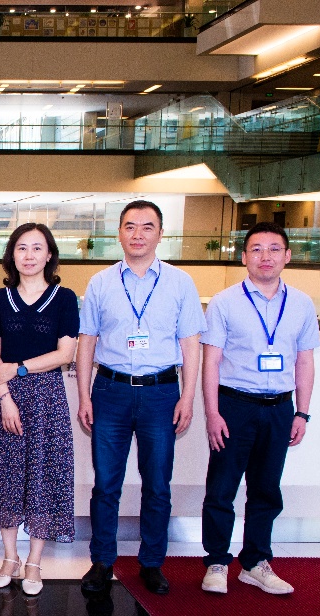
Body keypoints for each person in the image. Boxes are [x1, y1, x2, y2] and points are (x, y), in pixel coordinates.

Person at [76, 200, 204, 596]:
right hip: (110, 391)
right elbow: (86, 342)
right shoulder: (101, 282)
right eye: (130, 226)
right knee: (106, 485)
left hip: (161, 393)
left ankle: (151, 562)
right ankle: (102, 561)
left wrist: (188, 397)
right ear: (119, 233)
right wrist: (84, 396)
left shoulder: (180, 282)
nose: (138, 234)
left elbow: (191, 344)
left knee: (158, 484)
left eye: (147, 227)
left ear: (160, 234)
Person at [199, 222, 318, 596]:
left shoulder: (301, 303)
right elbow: (211, 362)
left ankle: (255, 563)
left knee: (266, 490)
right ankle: (217, 562)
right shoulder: (224, 302)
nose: (265, 256)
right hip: (235, 405)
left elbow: (305, 360)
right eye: (256, 249)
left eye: (274, 248)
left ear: (287, 255)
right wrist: (213, 413)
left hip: (280, 408)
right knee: (222, 488)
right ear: (243, 257)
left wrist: (302, 412)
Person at [0, 223, 78, 596]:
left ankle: (34, 561)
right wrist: (4, 396)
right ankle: (10, 557)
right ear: (11, 255)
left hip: (47, 397)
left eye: (37, 248)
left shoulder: (64, 298)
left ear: (49, 255)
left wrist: (18, 369)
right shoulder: (0, 299)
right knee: (7, 476)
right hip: (4, 398)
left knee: (43, 475)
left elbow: (66, 353)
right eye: (21, 248)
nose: (29, 255)